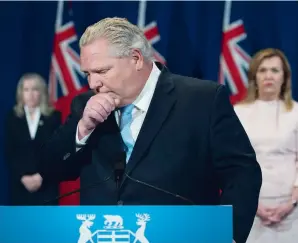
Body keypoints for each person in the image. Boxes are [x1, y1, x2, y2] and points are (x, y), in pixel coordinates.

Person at [21, 18, 261, 243]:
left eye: (102, 71)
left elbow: (241, 172)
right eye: (87, 74)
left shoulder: (201, 99)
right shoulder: (85, 105)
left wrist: (228, 233)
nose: (93, 83)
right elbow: (50, 168)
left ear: (135, 58)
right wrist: (83, 128)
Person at [234, 48, 298, 242]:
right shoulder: (238, 112)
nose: (268, 76)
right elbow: (233, 163)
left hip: (291, 210)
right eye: (263, 70)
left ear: (284, 77)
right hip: (250, 208)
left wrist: (292, 202)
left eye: (275, 70)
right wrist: (252, 204)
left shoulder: (296, 113)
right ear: (254, 76)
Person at [4, 73, 61, 205]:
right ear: (20, 93)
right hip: (20, 185)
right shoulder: (12, 118)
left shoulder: (54, 117)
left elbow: (56, 151)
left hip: (47, 184)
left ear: (42, 92)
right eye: (26, 89)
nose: (30, 94)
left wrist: (41, 176)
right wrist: (23, 177)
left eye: (35, 89)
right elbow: (9, 152)